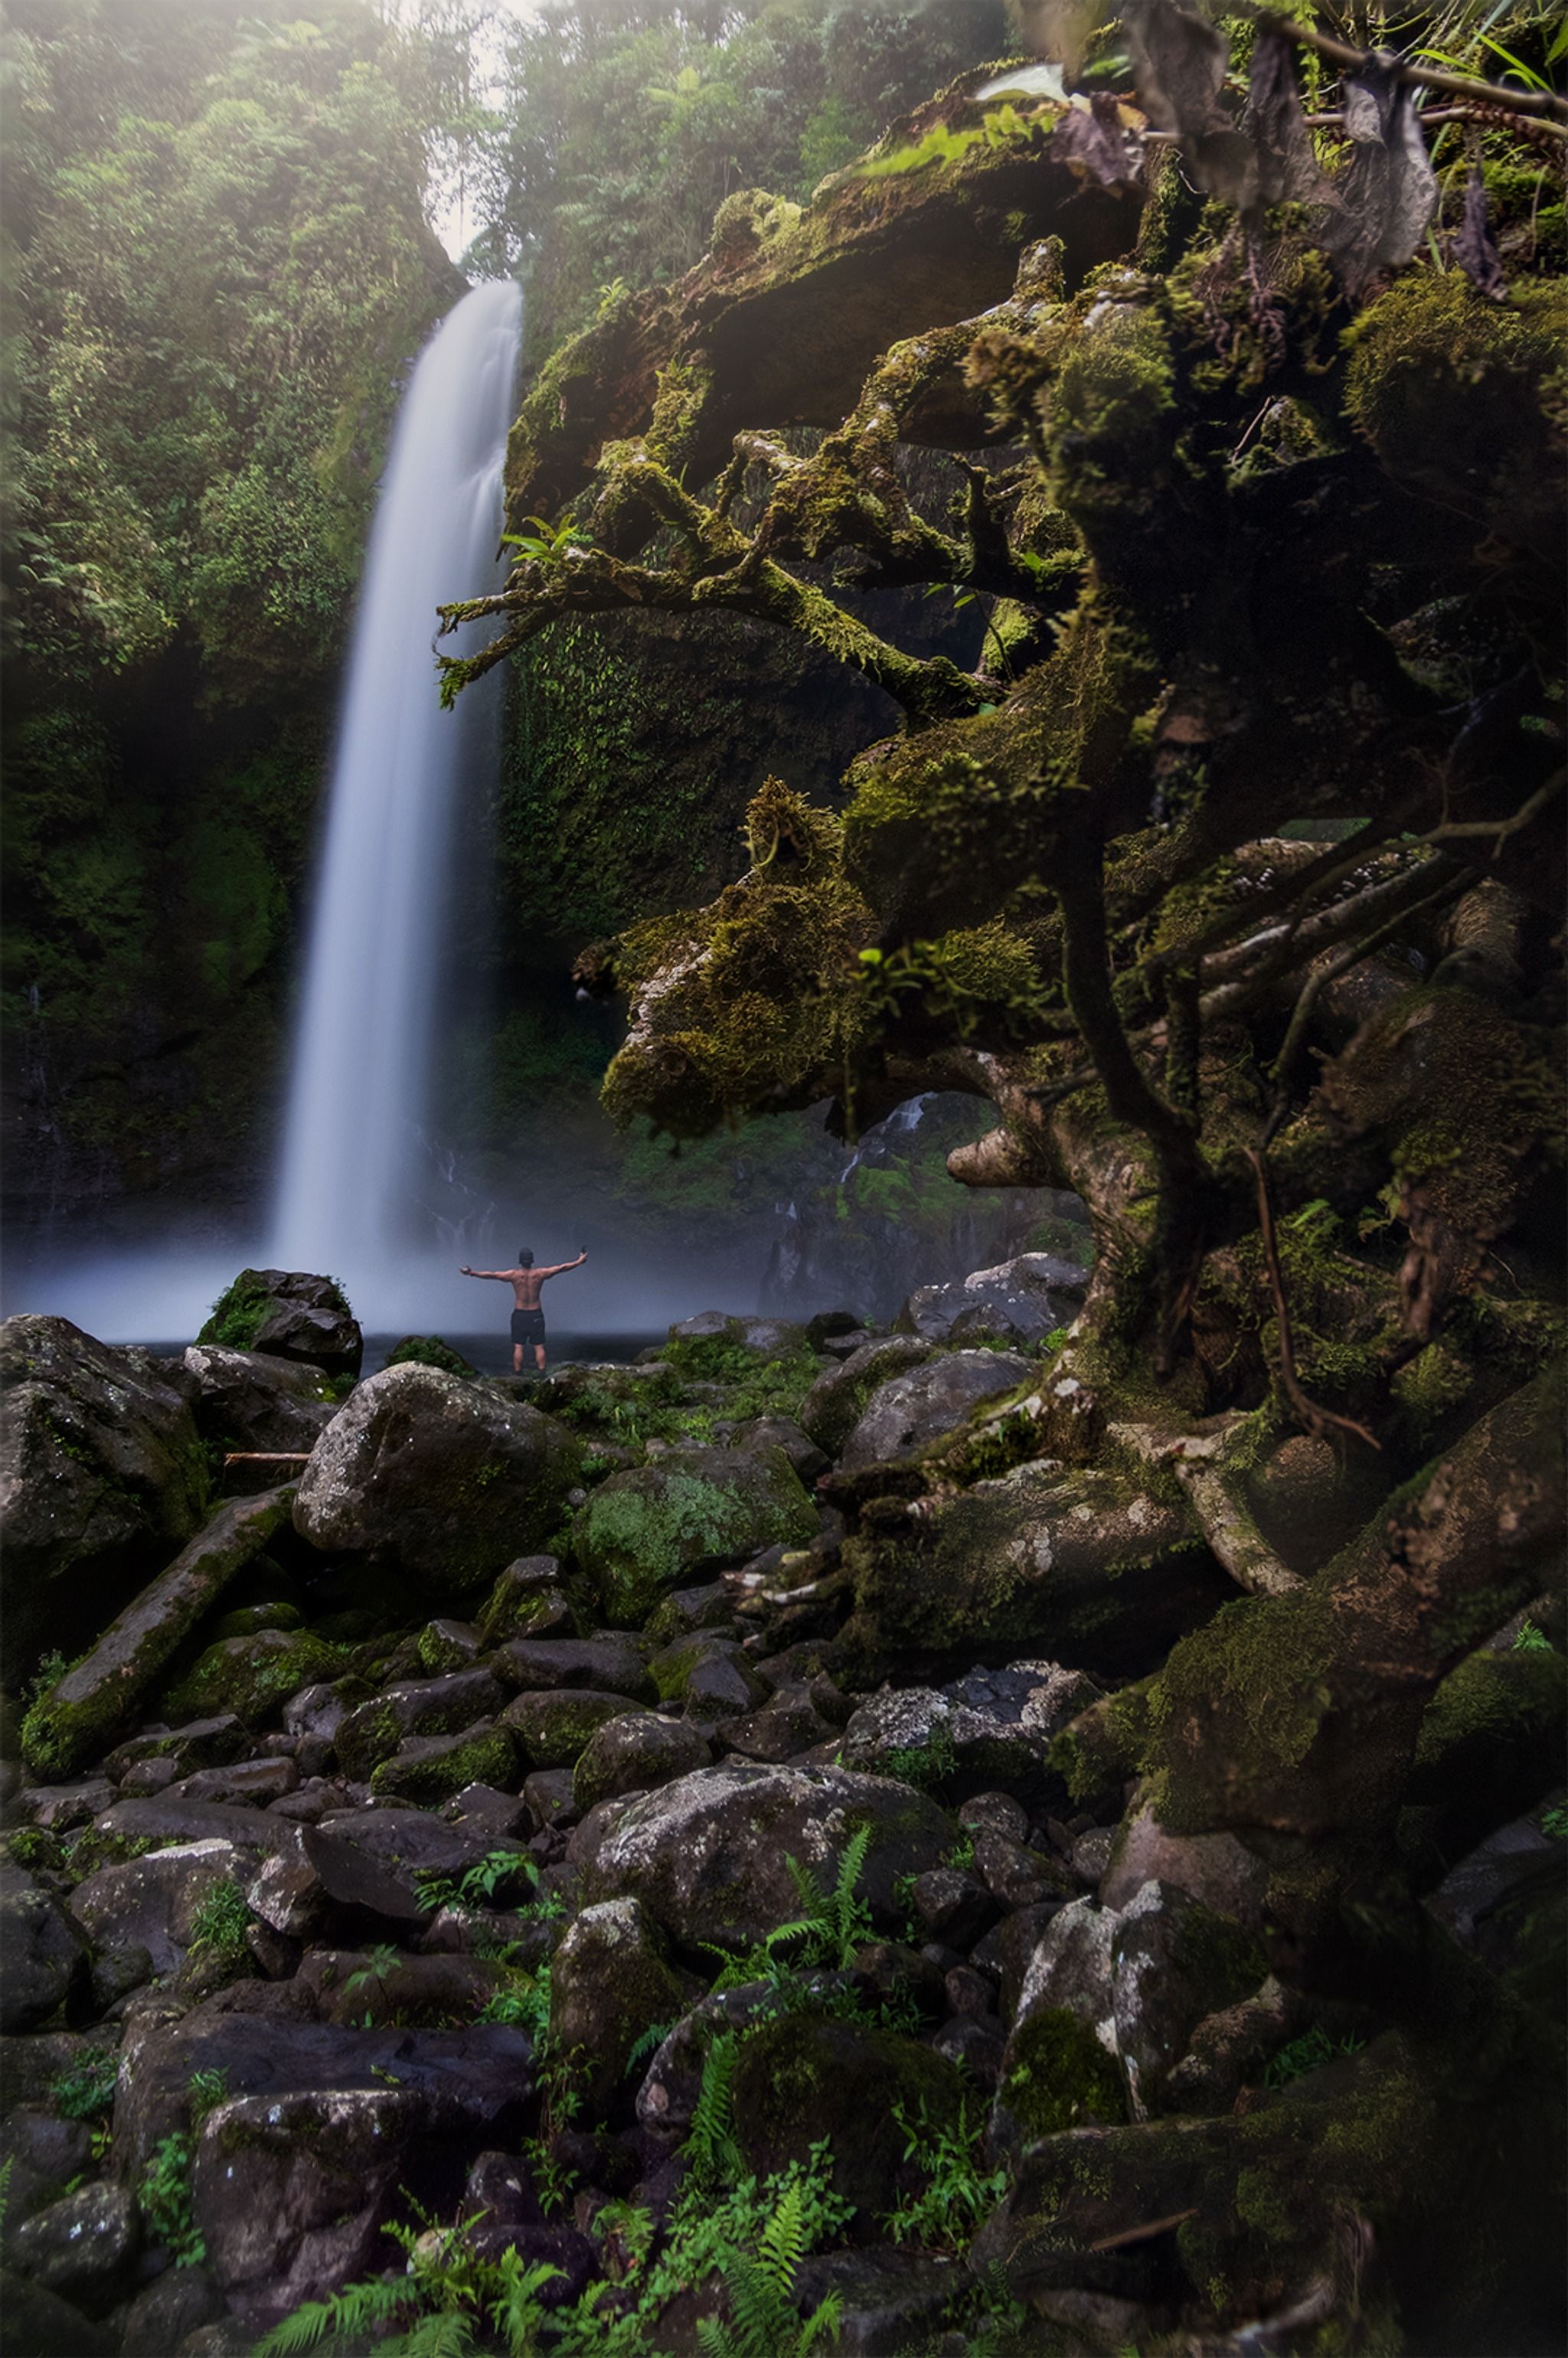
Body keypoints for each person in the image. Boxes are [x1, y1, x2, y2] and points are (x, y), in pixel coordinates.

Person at [459, 1247, 586, 1373]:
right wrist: (579, 1261)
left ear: (520, 1261)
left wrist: (472, 1273)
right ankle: (542, 1374)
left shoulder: (514, 1275)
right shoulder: (540, 1274)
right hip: (536, 1314)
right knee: (539, 1346)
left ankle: (518, 1374)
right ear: (532, 1261)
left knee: (518, 1346)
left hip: (520, 1314)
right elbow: (562, 1268)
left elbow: (493, 1275)